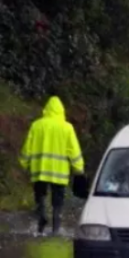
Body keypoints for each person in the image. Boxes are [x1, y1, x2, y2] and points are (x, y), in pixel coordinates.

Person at [18, 96, 85, 235]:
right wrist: (78, 168)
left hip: (40, 170)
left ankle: (41, 215)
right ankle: (56, 228)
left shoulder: (37, 125)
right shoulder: (67, 128)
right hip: (59, 173)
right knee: (58, 202)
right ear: (62, 111)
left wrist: (23, 163)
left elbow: (27, 148)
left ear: (46, 110)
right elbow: (74, 150)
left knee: (40, 195)